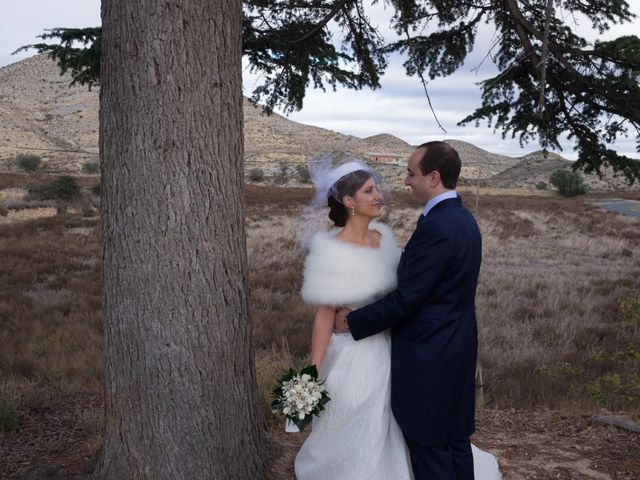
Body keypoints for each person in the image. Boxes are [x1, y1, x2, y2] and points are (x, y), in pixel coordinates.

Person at [294, 151, 500, 480]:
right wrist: (312, 372)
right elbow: (324, 314)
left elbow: (406, 296)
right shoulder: (330, 249)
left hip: (397, 348)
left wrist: (352, 321)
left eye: (379, 188)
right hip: (357, 357)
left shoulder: (387, 238)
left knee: (413, 431)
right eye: (369, 191)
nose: (383, 193)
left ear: (432, 177)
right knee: (364, 433)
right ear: (348, 200)